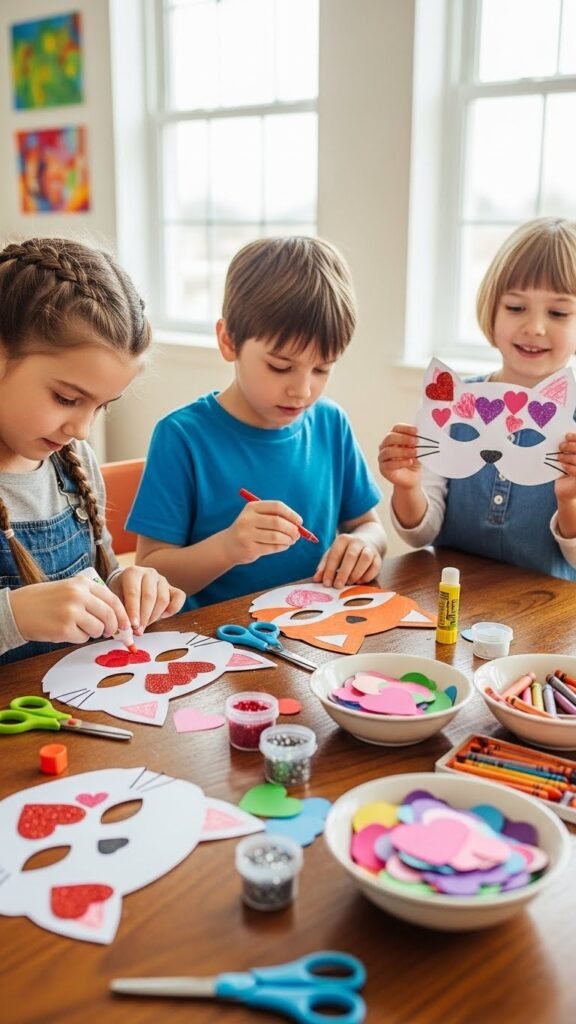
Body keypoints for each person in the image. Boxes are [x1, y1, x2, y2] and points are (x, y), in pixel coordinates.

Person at [128, 236, 387, 609]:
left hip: (313, 625)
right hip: (214, 635)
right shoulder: (182, 437)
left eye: (322, 369)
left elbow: (370, 526)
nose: (302, 390)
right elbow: (151, 573)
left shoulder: (331, 423)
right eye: (280, 366)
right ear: (228, 341)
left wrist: (364, 544)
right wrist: (228, 547)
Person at [0, 237, 185, 665]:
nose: (82, 430)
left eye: (102, 406)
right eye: (66, 398)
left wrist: (123, 585)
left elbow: (98, 575)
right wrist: (15, 616)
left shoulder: (73, 460)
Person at [379, 217, 576, 580]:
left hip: (547, 608)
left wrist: (570, 500)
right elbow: (421, 534)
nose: (535, 327)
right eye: (515, 307)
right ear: (492, 309)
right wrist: (407, 486)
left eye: (558, 313)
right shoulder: (452, 402)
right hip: (451, 597)